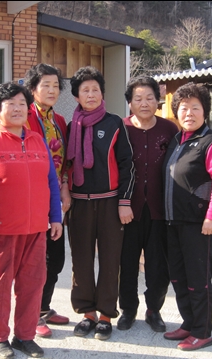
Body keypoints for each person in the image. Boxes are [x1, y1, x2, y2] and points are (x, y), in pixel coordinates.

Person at [0, 82, 62, 359]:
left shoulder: (37, 140)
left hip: (36, 229)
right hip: (1, 230)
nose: (18, 108)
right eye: (11, 104)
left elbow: (51, 181)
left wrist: (55, 217)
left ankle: (24, 336)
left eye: (22, 103)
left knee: (32, 284)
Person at [66, 66, 135, 341]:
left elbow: (127, 165)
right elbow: (64, 166)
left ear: (103, 93)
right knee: (81, 259)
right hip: (79, 204)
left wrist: (124, 201)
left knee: (109, 259)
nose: (91, 94)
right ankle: (87, 313)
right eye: (85, 90)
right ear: (77, 96)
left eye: (96, 89)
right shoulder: (71, 127)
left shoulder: (114, 123)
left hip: (109, 203)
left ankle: (106, 313)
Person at [162, 82, 212, 351]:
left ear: (205, 111)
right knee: (179, 277)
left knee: (198, 280)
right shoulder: (177, 141)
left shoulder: (211, 142)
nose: (188, 113)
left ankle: (203, 331)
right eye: (183, 108)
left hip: (199, 224)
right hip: (173, 222)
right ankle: (188, 323)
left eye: (195, 107)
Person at [117, 75, 178, 332]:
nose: (144, 103)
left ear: (158, 100)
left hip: (159, 208)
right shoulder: (119, 128)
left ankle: (154, 310)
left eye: (150, 98)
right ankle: (128, 310)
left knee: (158, 264)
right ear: (130, 102)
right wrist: (121, 201)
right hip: (127, 209)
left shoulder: (169, 129)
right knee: (127, 263)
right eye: (138, 98)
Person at [23, 63, 71, 339]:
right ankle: (31, 314)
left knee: (55, 259)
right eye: (46, 85)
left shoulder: (59, 121)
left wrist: (64, 186)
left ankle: (44, 307)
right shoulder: (25, 117)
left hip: (55, 201)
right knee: (34, 260)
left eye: (56, 86)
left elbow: (64, 162)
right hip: (32, 198)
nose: (52, 90)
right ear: (33, 89)